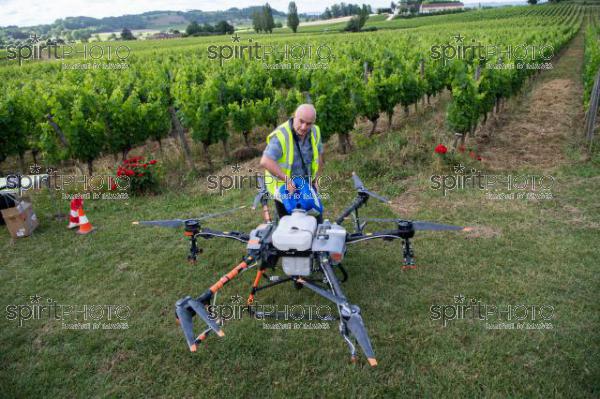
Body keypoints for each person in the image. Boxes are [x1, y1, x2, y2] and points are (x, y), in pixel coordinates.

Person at [259, 104, 324, 222]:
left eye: (309, 123)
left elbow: (319, 155)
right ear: (294, 116)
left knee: (316, 222)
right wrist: (287, 180)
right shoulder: (281, 135)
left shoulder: (315, 131)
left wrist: (317, 179)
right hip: (286, 190)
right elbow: (265, 161)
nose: (304, 127)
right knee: (291, 229)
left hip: (307, 186)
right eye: (301, 121)